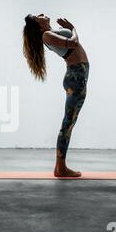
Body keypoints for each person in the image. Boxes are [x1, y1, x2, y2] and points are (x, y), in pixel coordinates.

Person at [23, 14, 90, 178]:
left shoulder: (50, 33)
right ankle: (60, 168)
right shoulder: (46, 35)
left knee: (69, 122)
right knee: (68, 123)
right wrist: (73, 28)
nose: (42, 15)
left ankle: (61, 166)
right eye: (38, 16)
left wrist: (70, 28)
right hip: (76, 78)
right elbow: (74, 43)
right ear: (39, 25)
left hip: (77, 77)